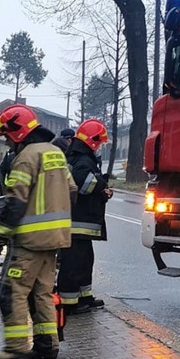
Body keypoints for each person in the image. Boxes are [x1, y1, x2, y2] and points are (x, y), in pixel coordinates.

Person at [0, 104, 77, 359]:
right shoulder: (56, 154)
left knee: (10, 290)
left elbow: (15, 201)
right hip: (55, 240)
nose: (6, 141)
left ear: (17, 132)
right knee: (42, 293)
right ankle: (47, 345)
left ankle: (15, 347)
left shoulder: (26, 157)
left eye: (6, 136)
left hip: (29, 242)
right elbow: (72, 191)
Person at [57, 119, 112, 315]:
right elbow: (84, 185)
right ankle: (69, 303)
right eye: (99, 143)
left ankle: (84, 296)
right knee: (73, 263)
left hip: (81, 222)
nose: (99, 147)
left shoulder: (80, 157)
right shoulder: (82, 160)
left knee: (85, 260)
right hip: (77, 222)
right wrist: (102, 184)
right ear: (92, 140)